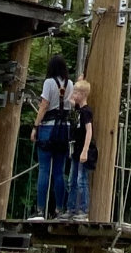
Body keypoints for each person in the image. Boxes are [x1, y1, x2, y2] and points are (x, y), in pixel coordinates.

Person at [30, 54, 71, 220]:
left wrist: (35, 127)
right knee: (59, 172)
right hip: (64, 129)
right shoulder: (70, 84)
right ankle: (59, 209)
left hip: (48, 127)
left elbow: (44, 105)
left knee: (44, 169)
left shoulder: (48, 83)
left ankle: (40, 209)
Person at [66, 79, 97, 221]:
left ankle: (83, 210)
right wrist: (77, 85)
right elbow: (68, 100)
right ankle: (71, 208)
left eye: (77, 92)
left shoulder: (86, 112)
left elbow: (89, 131)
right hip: (75, 150)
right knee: (72, 181)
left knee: (81, 180)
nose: (74, 95)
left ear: (84, 94)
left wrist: (85, 150)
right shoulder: (77, 110)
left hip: (82, 150)